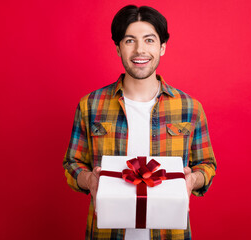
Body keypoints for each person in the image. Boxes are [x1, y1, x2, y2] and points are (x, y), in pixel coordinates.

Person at [63, 5, 216, 240]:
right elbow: (72, 163)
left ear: (163, 47)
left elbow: (207, 165)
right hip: (106, 233)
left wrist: (192, 179)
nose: (140, 50)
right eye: (129, 41)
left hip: (170, 233)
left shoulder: (190, 107)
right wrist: (89, 180)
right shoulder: (90, 105)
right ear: (117, 48)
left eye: (149, 40)